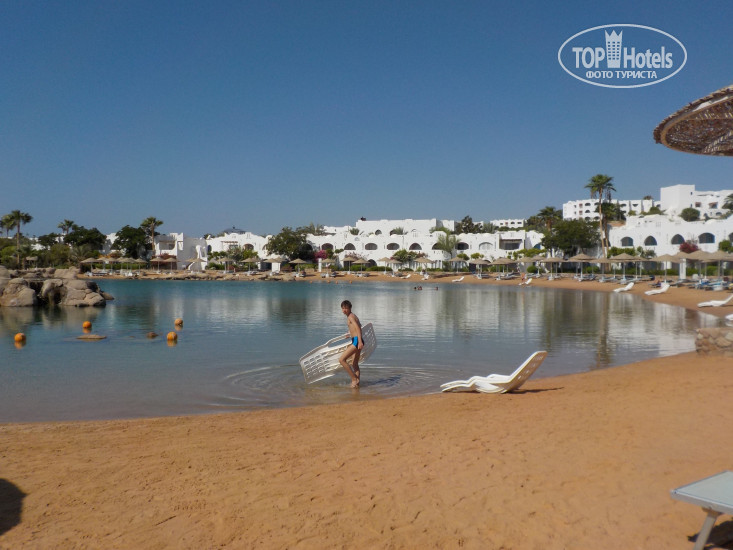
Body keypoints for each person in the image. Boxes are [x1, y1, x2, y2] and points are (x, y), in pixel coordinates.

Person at [339, 300, 363, 388]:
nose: (344, 310)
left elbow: (358, 328)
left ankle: (354, 379)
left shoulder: (350, 317)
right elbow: (358, 326)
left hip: (357, 341)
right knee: (354, 363)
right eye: (343, 308)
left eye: (346, 308)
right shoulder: (353, 316)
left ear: (350, 308)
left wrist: (359, 341)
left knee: (342, 360)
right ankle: (357, 385)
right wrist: (350, 333)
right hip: (356, 340)